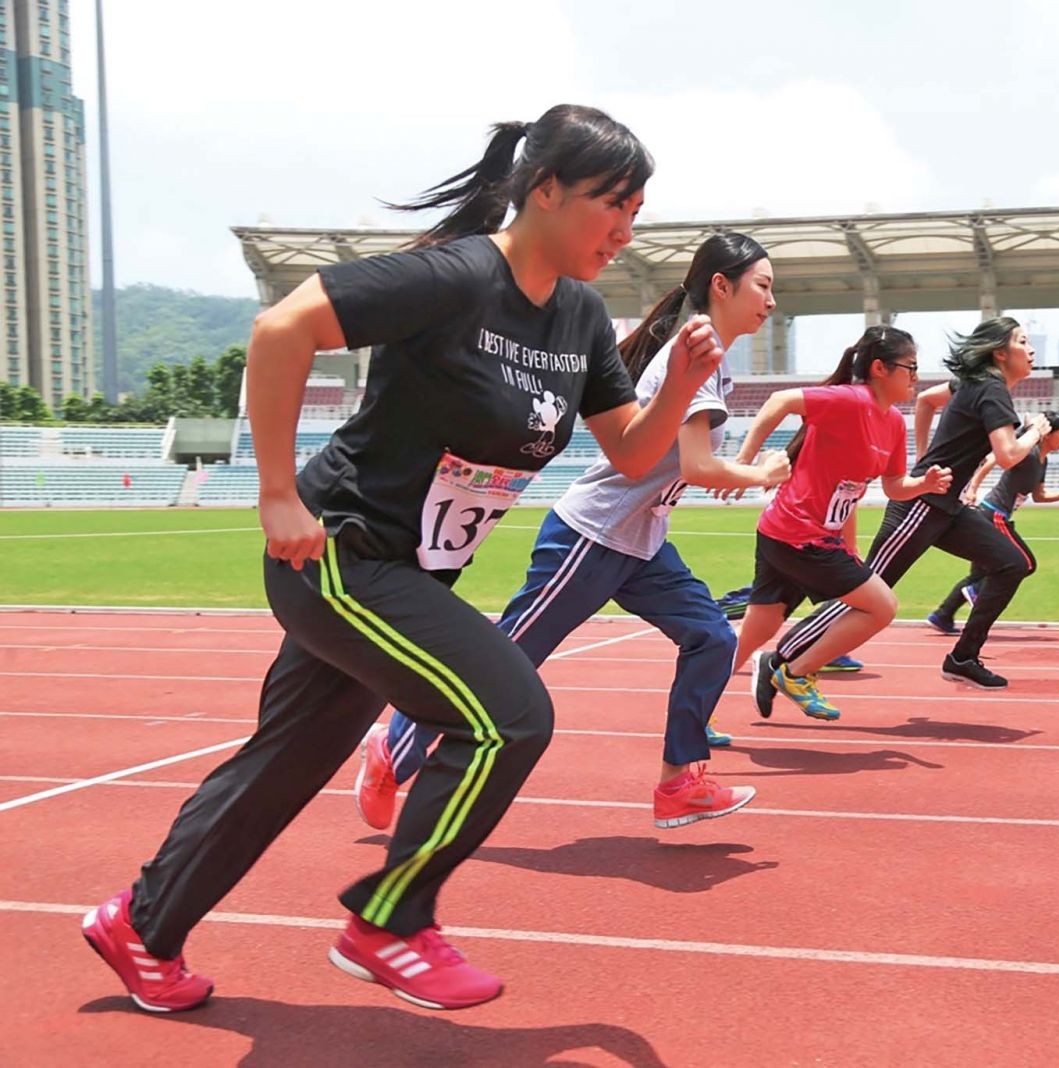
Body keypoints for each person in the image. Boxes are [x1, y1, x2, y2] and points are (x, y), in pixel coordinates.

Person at [82, 106, 724, 1014]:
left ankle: (141, 928)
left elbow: (628, 451)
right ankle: (389, 921)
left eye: (637, 207)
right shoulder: (458, 276)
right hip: (340, 553)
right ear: (544, 191)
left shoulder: (579, 315)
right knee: (509, 716)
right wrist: (276, 494)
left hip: (410, 574)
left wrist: (683, 390)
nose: (626, 227)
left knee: (289, 759)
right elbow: (281, 329)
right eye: (611, 203)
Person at [355, 232, 790, 834]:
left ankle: (679, 784)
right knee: (505, 662)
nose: (771, 301)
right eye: (763, 286)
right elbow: (698, 468)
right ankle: (393, 751)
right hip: (590, 536)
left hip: (640, 542)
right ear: (722, 285)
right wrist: (762, 473)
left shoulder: (708, 357)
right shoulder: (694, 353)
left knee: (713, 639)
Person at [756, 317, 1051, 697]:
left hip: (948, 507)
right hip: (920, 506)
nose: (1031, 350)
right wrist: (1034, 433)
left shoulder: (976, 383)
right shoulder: (990, 388)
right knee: (867, 591)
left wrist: (926, 454)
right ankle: (779, 659)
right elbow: (1008, 454)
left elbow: (928, 400)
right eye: (1023, 342)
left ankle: (963, 657)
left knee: (1014, 562)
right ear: (999, 352)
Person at [725, 325, 951, 720]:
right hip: (798, 533)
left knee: (757, 631)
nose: (916, 377)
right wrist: (743, 463)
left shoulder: (894, 423)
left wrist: (923, 484)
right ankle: (794, 673)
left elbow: (894, 486)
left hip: (795, 534)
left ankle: (696, 707)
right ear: (880, 368)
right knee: (881, 607)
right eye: (910, 368)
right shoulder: (850, 401)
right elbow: (779, 401)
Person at [927, 410, 1059, 631]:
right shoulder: (1027, 453)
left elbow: (1039, 496)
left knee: (980, 575)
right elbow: (991, 460)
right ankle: (975, 595)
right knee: (1025, 563)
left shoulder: (1042, 461)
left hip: (994, 515)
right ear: (1047, 434)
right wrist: (972, 488)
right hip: (994, 515)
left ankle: (942, 616)